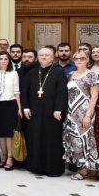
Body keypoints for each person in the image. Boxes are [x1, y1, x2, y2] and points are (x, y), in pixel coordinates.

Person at [20, 45, 68, 176]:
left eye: (47, 55)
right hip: (35, 113)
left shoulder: (59, 73)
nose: (44, 57)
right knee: (35, 139)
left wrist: (59, 109)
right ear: (38, 58)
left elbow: (62, 93)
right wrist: (25, 107)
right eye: (41, 55)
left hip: (52, 113)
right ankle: (36, 166)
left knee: (51, 141)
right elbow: (25, 91)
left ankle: (52, 168)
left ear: (53, 58)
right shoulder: (32, 73)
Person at [62, 51, 99, 178]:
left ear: (88, 59)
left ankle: (86, 169)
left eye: (82, 58)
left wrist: (88, 115)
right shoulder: (70, 74)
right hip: (71, 112)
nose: (79, 60)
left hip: (85, 111)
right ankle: (82, 167)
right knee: (75, 140)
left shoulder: (92, 75)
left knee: (86, 140)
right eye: (77, 58)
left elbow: (94, 96)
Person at [0, 52, 20, 170]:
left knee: (8, 133)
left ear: (9, 60)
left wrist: (19, 108)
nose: (3, 61)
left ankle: (10, 158)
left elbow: (17, 91)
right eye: (0, 59)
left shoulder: (13, 73)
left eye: (5, 59)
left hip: (10, 105)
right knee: (0, 133)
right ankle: (4, 156)